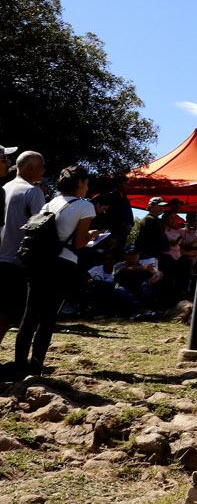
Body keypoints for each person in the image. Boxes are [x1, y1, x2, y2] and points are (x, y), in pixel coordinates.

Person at [14, 164, 94, 376]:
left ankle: (19, 366)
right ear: (79, 184)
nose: (87, 188)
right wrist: (91, 236)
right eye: (86, 183)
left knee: (29, 315)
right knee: (48, 317)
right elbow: (78, 243)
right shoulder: (85, 206)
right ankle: (36, 366)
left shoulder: (49, 204)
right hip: (62, 264)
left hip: (37, 262)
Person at [1, 151, 45, 347]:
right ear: (29, 168)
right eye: (41, 167)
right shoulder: (33, 192)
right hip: (15, 261)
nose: (43, 171)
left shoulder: (5, 187)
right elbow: (41, 227)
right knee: (7, 314)